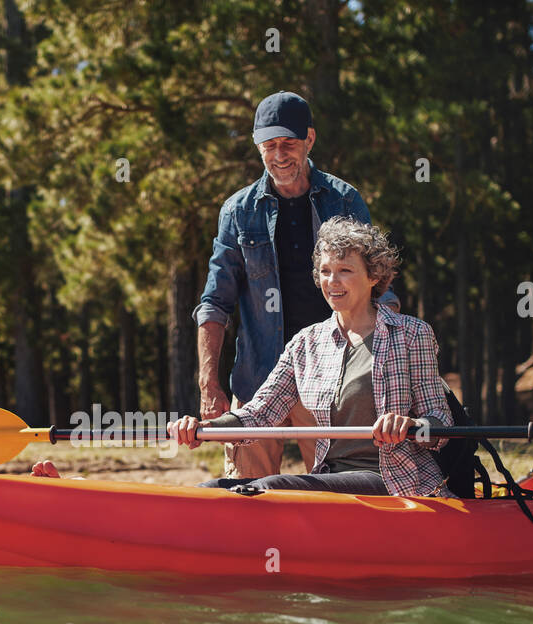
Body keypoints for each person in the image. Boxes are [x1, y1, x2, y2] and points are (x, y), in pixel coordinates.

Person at [34, 218, 454, 498]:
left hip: (394, 481)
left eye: (344, 270)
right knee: (218, 485)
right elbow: (258, 416)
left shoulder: (411, 334)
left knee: (266, 487)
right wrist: (204, 427)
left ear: (374, 276)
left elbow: (441, 426)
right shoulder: (306, 344)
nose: (332, 281)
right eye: (325, 271)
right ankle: (81, 492)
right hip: (330, 481)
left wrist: (412, 426)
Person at [192, 90, 400, 481]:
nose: (279, 155)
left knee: (335, 498)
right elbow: (214, 303)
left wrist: (386, 371)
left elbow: (379, 288)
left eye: (288, 143)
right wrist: (209, 383)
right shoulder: (238, 211)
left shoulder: (344, 200)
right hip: (257, 381)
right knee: (245, 499)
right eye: (269, 146)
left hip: (332, 383)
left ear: (310, 139)